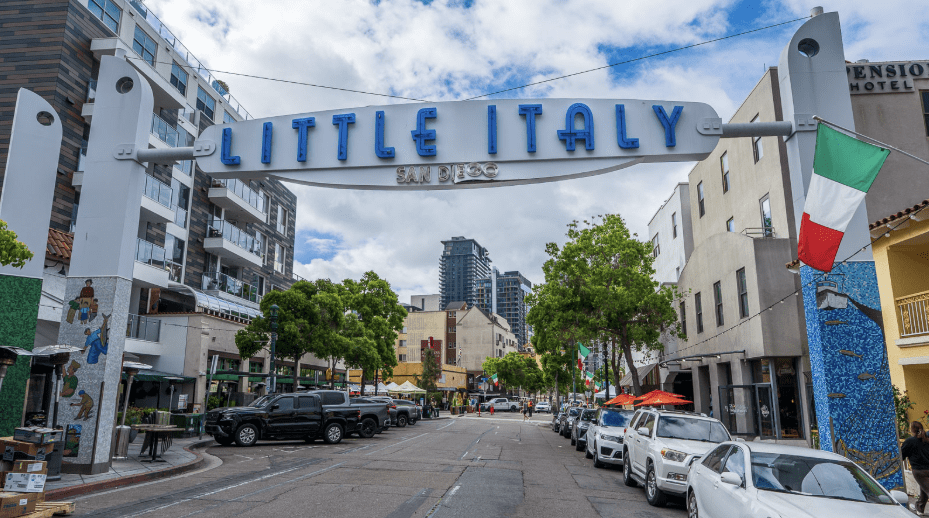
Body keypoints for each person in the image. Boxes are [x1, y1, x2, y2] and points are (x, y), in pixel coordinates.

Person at [903, 421, 929, 515]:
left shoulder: (909, 441)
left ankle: (919, 508)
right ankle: (919, 508)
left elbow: (902, 456)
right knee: (924, 489)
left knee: (926, 489)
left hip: (919, 471)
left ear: (912, 430)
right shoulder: (926, 439)